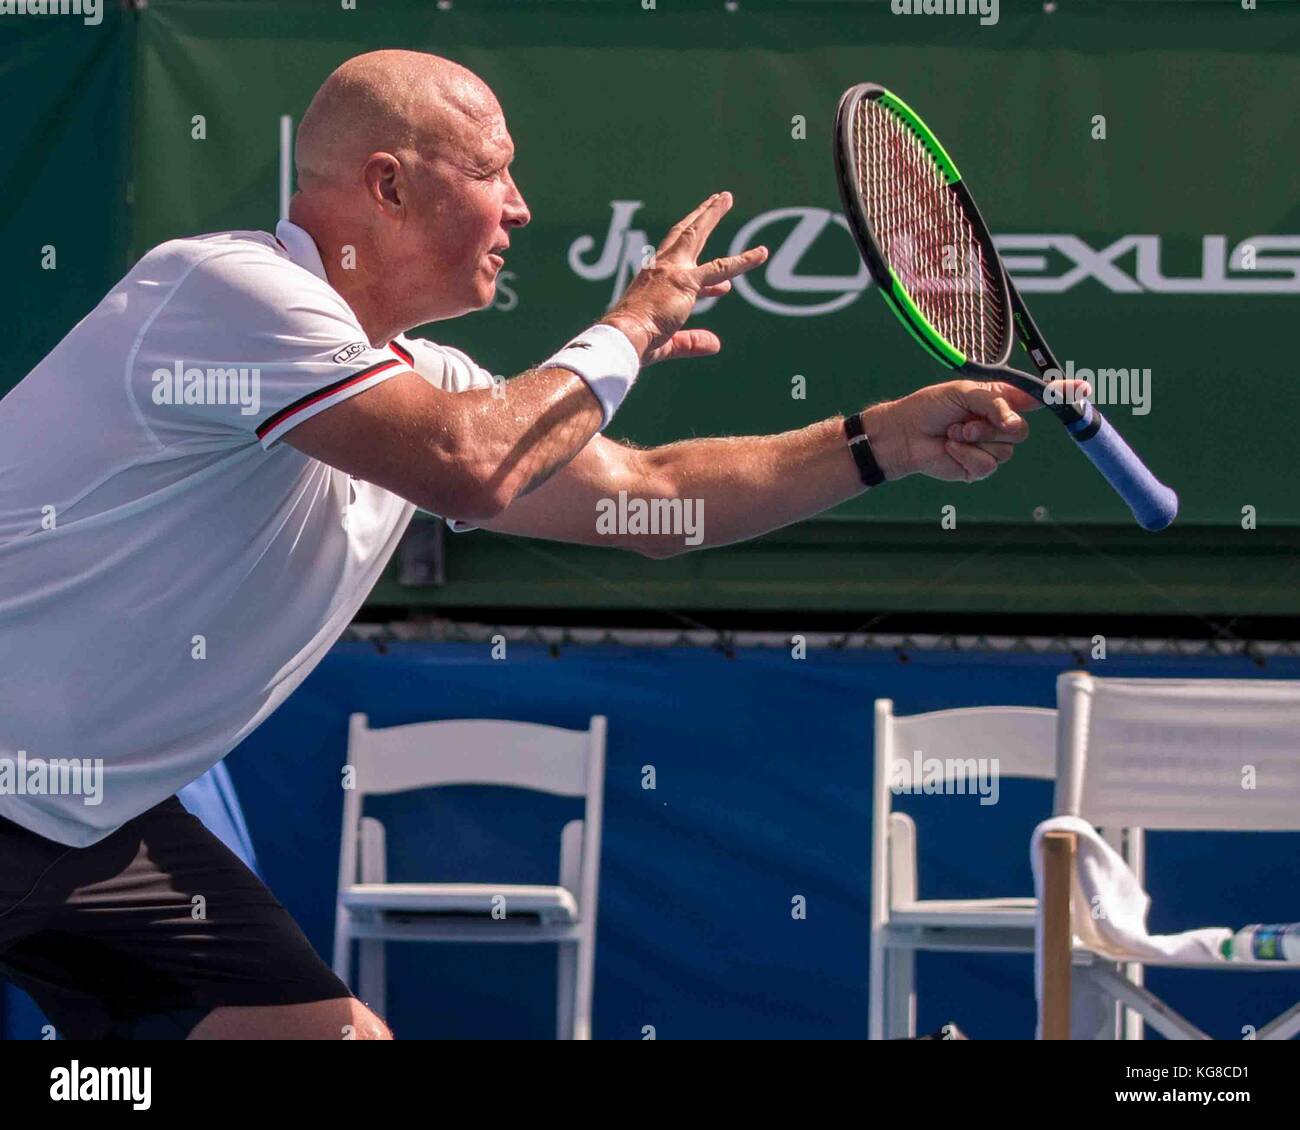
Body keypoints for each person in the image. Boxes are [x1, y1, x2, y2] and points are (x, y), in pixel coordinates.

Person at [0, 49, 1057, 1039]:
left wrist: (883, 438)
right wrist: (629, 326)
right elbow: (469, 462)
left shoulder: (428, 382)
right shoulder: (229, 291)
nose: (520, 205)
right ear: (389, 186)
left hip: (89, 820)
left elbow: (653, 497)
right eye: (492, 171)